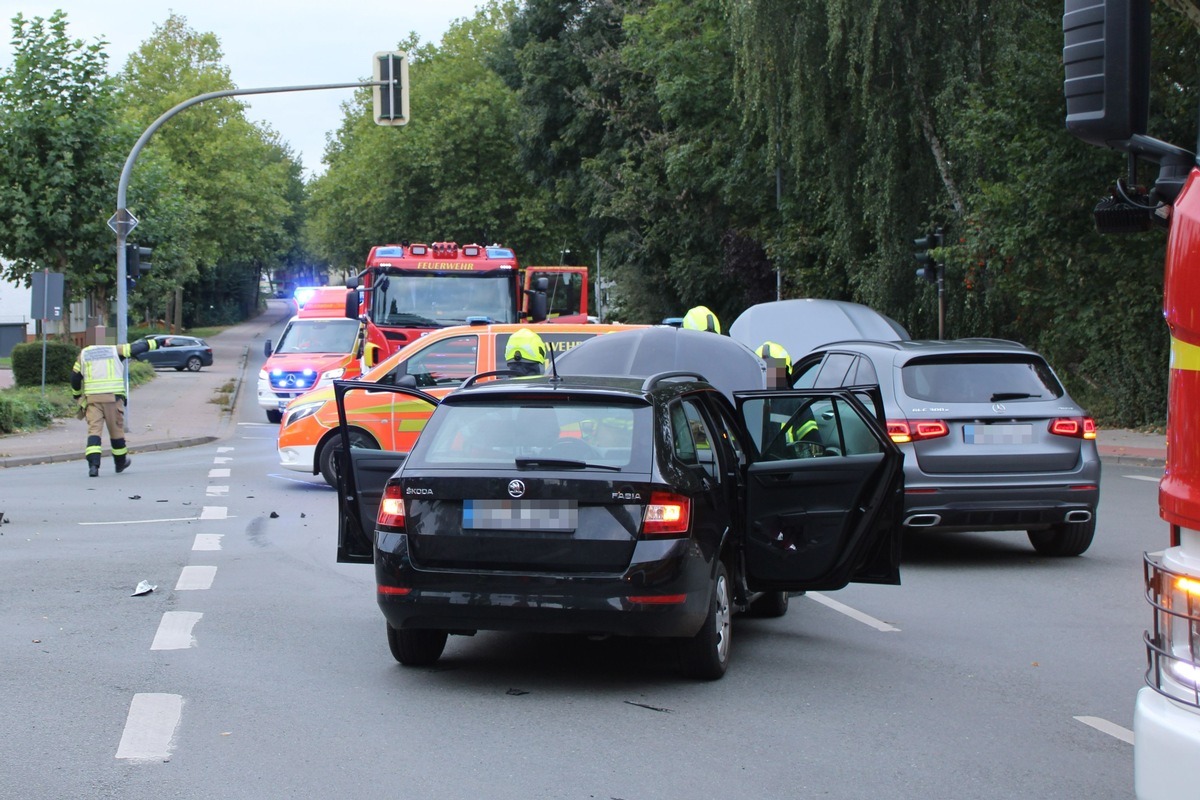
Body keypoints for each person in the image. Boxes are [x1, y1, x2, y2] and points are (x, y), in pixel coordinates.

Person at [70, 337, 170, 477]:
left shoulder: (85, 353)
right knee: (116, 431)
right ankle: (120, 462)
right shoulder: (115, 350)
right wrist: (159, 342)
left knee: (94, 431)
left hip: (93, 399)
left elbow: (75, 376)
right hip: (112, 399)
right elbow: (137, 348)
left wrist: (77, 395)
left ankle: (93, 466)